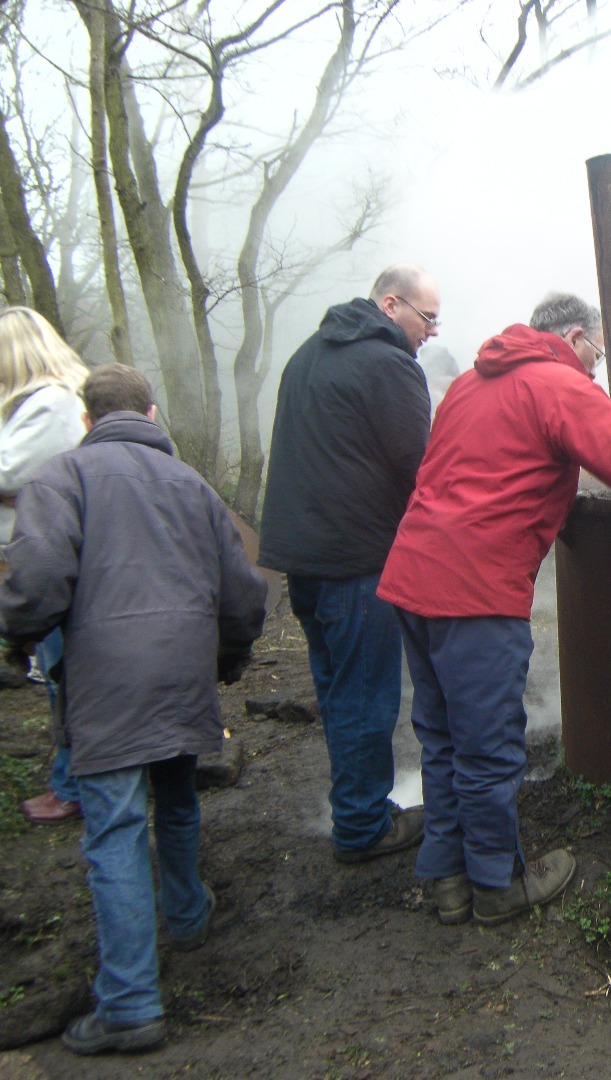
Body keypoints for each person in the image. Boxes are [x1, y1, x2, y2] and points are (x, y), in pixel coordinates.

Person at [377, 293, 611, 926]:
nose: (597, 367)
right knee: (490, 748)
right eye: (599, 352)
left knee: (443, 738)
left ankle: (448, 880)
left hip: (414, 577)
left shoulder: (471, 382)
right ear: (576, 336)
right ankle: (498, 886)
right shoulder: (559, 384)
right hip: (474, 592)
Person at [0, 365, 268, 1055]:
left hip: (105, 680)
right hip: (181, 673)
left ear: (88, 420)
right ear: (152, 413)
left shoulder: (61, 479)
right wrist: (228, 660)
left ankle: (129, 1004)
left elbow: (35, 582)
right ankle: (187, 914)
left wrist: (18, 639)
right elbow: (243, 590)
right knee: (176, 800)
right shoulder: (193, 486)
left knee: (115, 827)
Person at [259, 263, 435, 863]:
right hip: (358, 561)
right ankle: (362, 827)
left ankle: (357, 808)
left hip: (304, 563)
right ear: (391, 304)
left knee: (339, 691)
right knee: (367, 697)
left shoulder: (308, 354)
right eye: (427, 317)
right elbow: (425, 471)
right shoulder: (388, 366)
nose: (432, 332)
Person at [0, 306, 88, 824]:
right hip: (47, 556)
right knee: (60, 674)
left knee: (64, 674)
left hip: (54, 560)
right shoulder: (41, 403)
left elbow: (11, 470)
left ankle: (73, 784)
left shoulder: (51, 403)